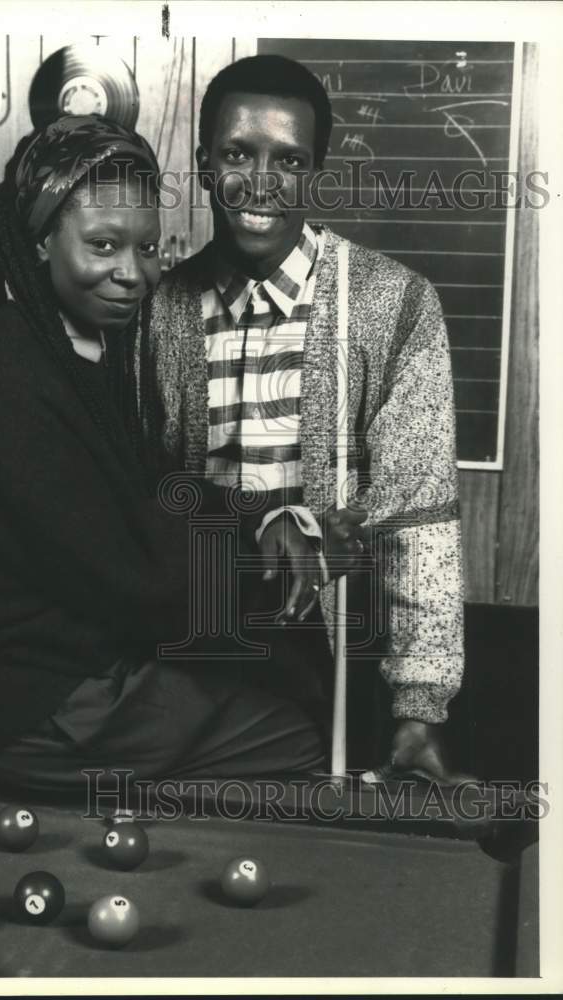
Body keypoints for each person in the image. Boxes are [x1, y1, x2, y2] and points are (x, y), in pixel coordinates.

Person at [0, 114, 331, 789]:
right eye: (102, 245)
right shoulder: (7, 367)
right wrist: (255, 562)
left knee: (271, 681)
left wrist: (264, 519)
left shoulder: (80, 346)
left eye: (148, 249)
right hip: (20, 704)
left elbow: (154, 493)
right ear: (42, 241)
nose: (132, 274)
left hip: (56, 673)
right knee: (296, 735)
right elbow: (131, 574)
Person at [137, 55, 468, 784]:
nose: (261, 184)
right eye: (236, 154)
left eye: (288, 160)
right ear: (200, 165)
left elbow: (421, 519)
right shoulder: (155, 310)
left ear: (314, 173)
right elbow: (138, 497)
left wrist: (419, 707)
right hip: (187, 652)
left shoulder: (391, 304)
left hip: (333, 661)